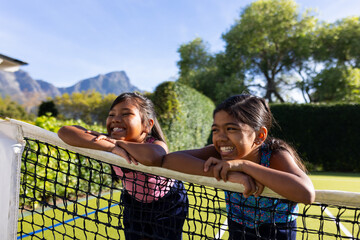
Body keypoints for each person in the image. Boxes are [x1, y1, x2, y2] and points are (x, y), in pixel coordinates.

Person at [162, 94, 315, 240]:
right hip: (237, 230)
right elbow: (169, 160)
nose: (221, 137)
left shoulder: (275, 155)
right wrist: (228, 174)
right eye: (215, 130)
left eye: (231, 129)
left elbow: (306, 194)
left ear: (260, 135)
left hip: (278, 232)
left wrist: (244, 165)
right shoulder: (218, 153)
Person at [58, 92, 188, 240]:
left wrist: (119, 144)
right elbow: (64, 132)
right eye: (111, 115)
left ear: (147, 124)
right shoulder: (107, 142)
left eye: (126, 114)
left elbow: (154, 157)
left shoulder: (155, 144)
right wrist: (111, 148)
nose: (116, 119)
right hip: (133, 204)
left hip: (168, 204)